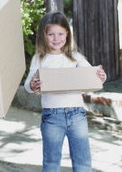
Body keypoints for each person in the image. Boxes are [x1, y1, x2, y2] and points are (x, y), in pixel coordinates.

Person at [24, 11, 107, 171]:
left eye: (60, 34)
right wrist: (33, 85)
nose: (56, 39)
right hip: (52, 117)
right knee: (51, 161)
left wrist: (101, 76)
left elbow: (92, 75)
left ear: (67, 34)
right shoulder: (39, 59)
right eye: (51, 34)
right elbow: (28, 84)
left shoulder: (75, 57)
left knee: (82, 161)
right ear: (44, 36)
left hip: (77, 115)